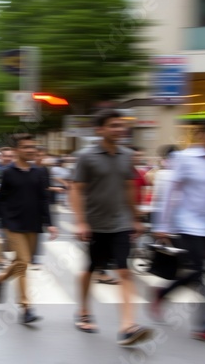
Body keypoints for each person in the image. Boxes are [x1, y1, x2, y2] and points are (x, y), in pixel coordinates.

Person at [151, 122, 205, 347]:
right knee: (201, 275)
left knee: (199, 274)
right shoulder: (186, 158)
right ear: (201, 134)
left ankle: (163, 293)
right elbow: (171, 191)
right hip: (187, 226)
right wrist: (162, 225)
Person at [71, 109, 154, 346]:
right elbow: (76, 189)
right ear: (100, 129)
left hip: (120, 223)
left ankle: (127, 326)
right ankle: (83, 311)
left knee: (124, 271)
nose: (120, 129)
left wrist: (136, 218)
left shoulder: (127, 155)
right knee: (90, 268)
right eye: (114, 125)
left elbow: (130, 188)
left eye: (121, 125)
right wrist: (80, 221)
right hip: (95, 223)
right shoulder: (86, 157)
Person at [0, 134, 58, 324]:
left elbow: (44, 199)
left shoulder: (39, 172)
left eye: (32, 147)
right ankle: (26, 307)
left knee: (20, 262)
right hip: (13, 224)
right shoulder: (8, 173)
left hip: (33, 225)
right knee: (24, 263)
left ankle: (0, 278)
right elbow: (0, 200)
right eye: (26, 147)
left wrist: (50, 223)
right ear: (17, 150)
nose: (31, 150)